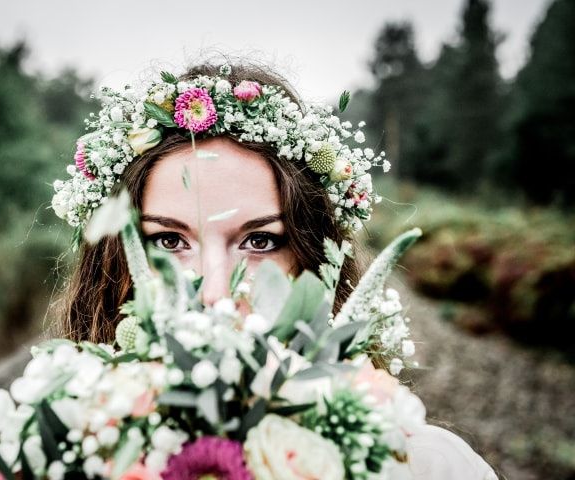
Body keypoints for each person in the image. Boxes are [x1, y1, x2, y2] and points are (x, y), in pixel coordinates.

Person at [49, 60, 497, 479]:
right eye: (169, 241)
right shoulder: (60, 454)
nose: (216, 294)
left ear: (314, 261)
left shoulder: (430, 467)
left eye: (260, 241)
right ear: (112, 264)